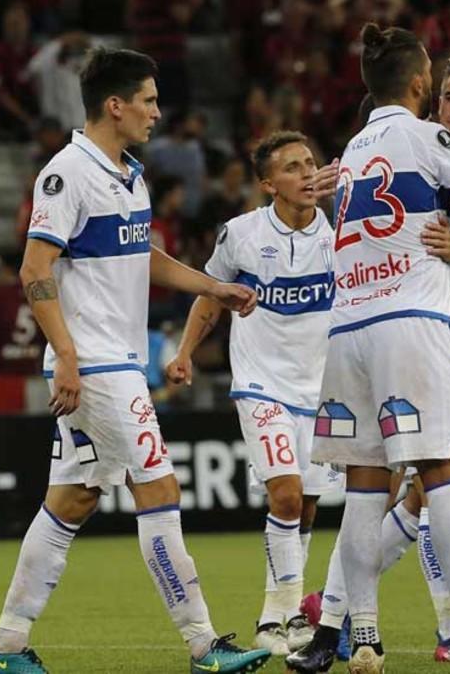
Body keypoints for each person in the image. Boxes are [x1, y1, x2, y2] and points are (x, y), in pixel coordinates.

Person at [0, 47, 268, 674]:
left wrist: (210, 287)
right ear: (116, 105)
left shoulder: (129, 173)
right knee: (158, 488)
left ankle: (4, 647)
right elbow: (35, 268)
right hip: (97, 366)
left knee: (73, 499)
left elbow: (146, 257)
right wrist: (67, 357)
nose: (157, 113)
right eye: (150, 100)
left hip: (113, 363)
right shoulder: (67, 173)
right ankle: (203, 645)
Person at [287, 23, 450, 674]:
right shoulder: (430, 138)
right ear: (422, 83)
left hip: (349, 330)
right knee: (447, 472)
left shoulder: (355, 146)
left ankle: (363, 637)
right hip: (410, 321)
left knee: (367, 486)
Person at [164, 131, 344, 656]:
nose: (306, 173)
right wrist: (185, 352)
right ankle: (291, 615)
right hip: (261, 385)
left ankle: (271, 616)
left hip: (321, 388)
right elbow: (210, 295)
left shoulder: (341, 236)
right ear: (268, 184)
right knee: (284, 494)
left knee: (305, 507)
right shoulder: (240, 235)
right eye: (292, 167)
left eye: (311, 163)